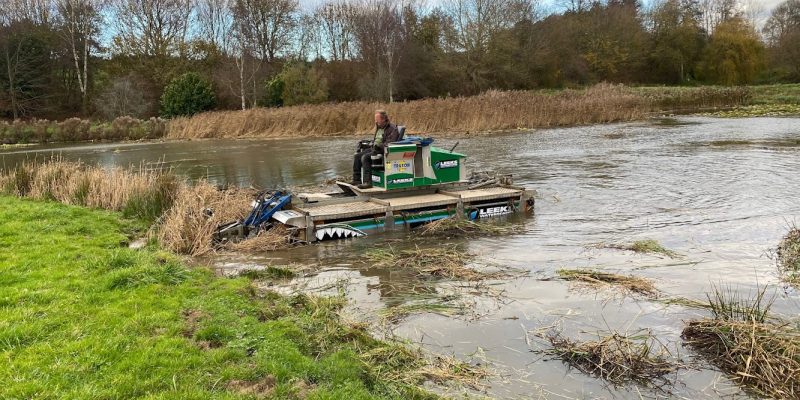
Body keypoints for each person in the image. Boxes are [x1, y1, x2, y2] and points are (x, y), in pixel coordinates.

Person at [352, 110, 400, 189]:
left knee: (365, 157)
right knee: (357, 156)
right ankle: (356, 180)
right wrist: (367, 144)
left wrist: (378, 147)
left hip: (382, 151)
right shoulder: (379, 127)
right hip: (374, 148)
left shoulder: (392, 128)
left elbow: (389, 143)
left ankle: (368, 182)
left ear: (383, 119)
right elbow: (376, 140)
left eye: (377, 120)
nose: (376, 121)